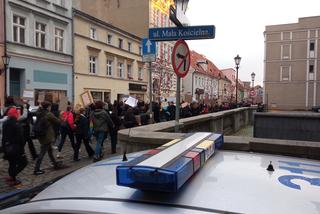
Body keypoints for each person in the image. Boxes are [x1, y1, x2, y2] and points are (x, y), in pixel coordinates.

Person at [33, 101, 61, 175]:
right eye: (49, 106)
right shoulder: (49, 114)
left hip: (41, 135)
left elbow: (37, 111)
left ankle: (55, 164)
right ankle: (36, 169)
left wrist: (40, 106)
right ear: (48, 107)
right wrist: (60, 115)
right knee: (42, 153)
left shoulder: (39, 112)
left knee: (50, 151)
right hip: (47, 136)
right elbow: (58, 121)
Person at [2, 108, 28, 186]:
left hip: (7, 147)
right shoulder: (16, 124)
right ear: (15, 114)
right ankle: (12, 176)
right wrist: (22, 150)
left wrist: (4, 148)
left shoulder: (5, 123)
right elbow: (21, 139)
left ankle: (12, 179)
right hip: (16, 148)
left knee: (12, 163)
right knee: (24, 162)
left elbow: (4, 137)